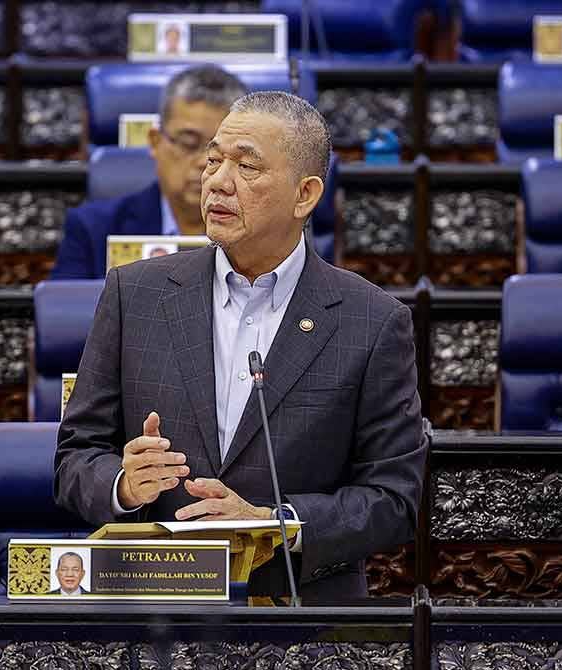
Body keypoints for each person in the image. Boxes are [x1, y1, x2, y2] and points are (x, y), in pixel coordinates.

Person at [55, 91, 427, 601]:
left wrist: (274, 523)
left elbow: (395, 499)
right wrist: (123, 483)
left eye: (247, 166)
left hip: (300, 616)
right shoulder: (134, 293)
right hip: (156, 604)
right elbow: (75, 457)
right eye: (214, 161)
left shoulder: (373, 321)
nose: (217, 181)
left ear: (305, 195)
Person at [51, 65, 247, 280]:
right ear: (155, 142)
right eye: (188, 143)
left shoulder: (264, 233)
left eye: (219, 151)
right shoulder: (92, 230)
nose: (203, 162)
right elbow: (71, 301)